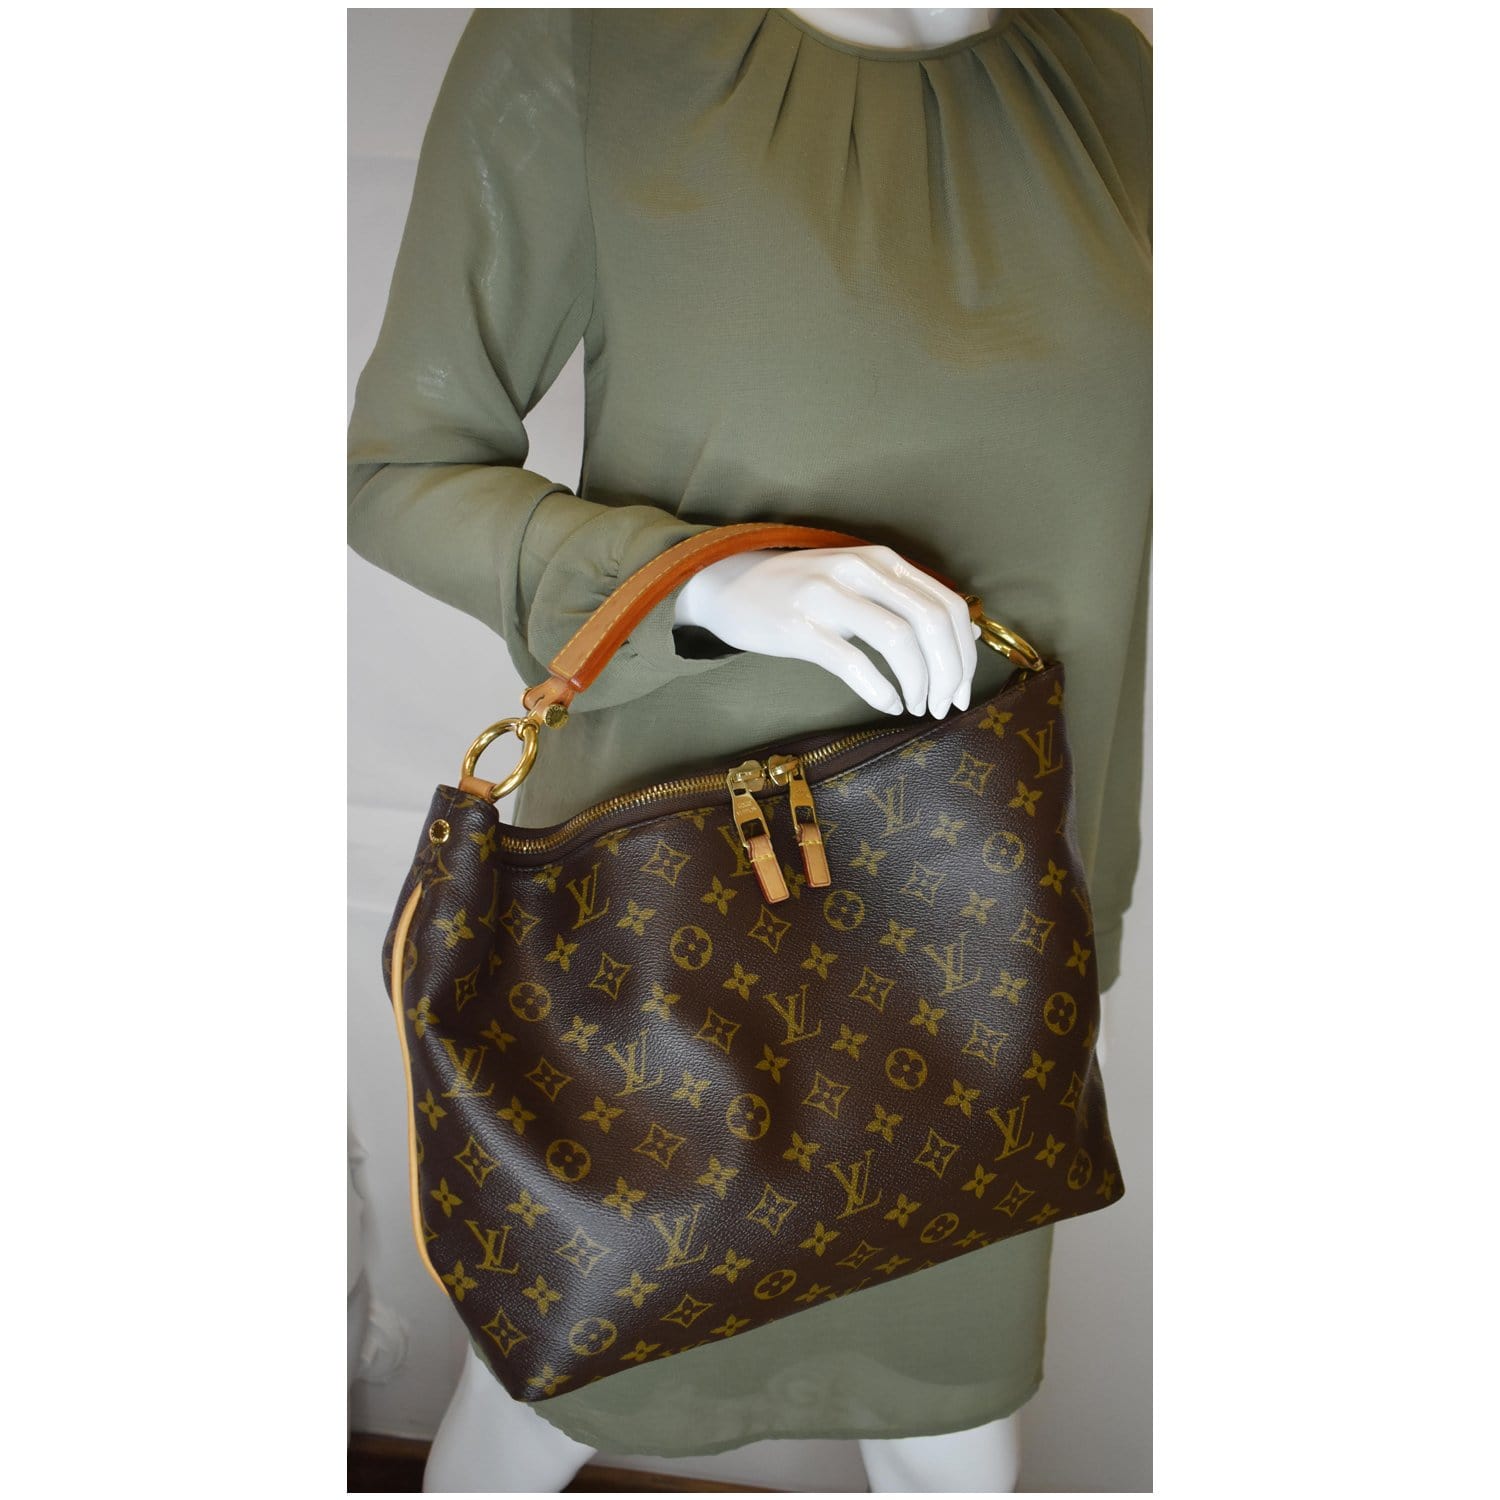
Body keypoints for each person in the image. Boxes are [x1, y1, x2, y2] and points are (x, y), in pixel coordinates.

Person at [348, 6, 1150, 1488]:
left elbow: (1115, 553)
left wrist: (1084, 919)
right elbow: (397, 468)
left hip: (984, 938)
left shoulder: (1115, 77)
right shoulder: (592, 42)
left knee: (957, 1423)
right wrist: (702, 584)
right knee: (556, 1390)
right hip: (669, 938)